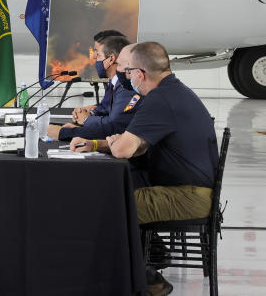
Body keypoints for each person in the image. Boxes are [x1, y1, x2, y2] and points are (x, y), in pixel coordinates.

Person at [75, 41, 218, 296]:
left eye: (127, 71)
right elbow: (139, 145)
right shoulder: (171, 92)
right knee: (123, 191)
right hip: (189, 190)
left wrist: (114, 144)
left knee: (111, 207)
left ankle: (147, 280)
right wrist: (97, 143)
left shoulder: (160, 100)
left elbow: (124, 149)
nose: (125, 76)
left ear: (140, 74)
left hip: (188, 196)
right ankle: (151, 260)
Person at [47, 35, 138, 141]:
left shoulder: (126, 87)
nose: (94, 57)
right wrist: (89, 113)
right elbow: (105, 109)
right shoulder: (114, 83)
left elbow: (114, 126)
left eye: (98, 55)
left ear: (111, 59)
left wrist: (85, 121)